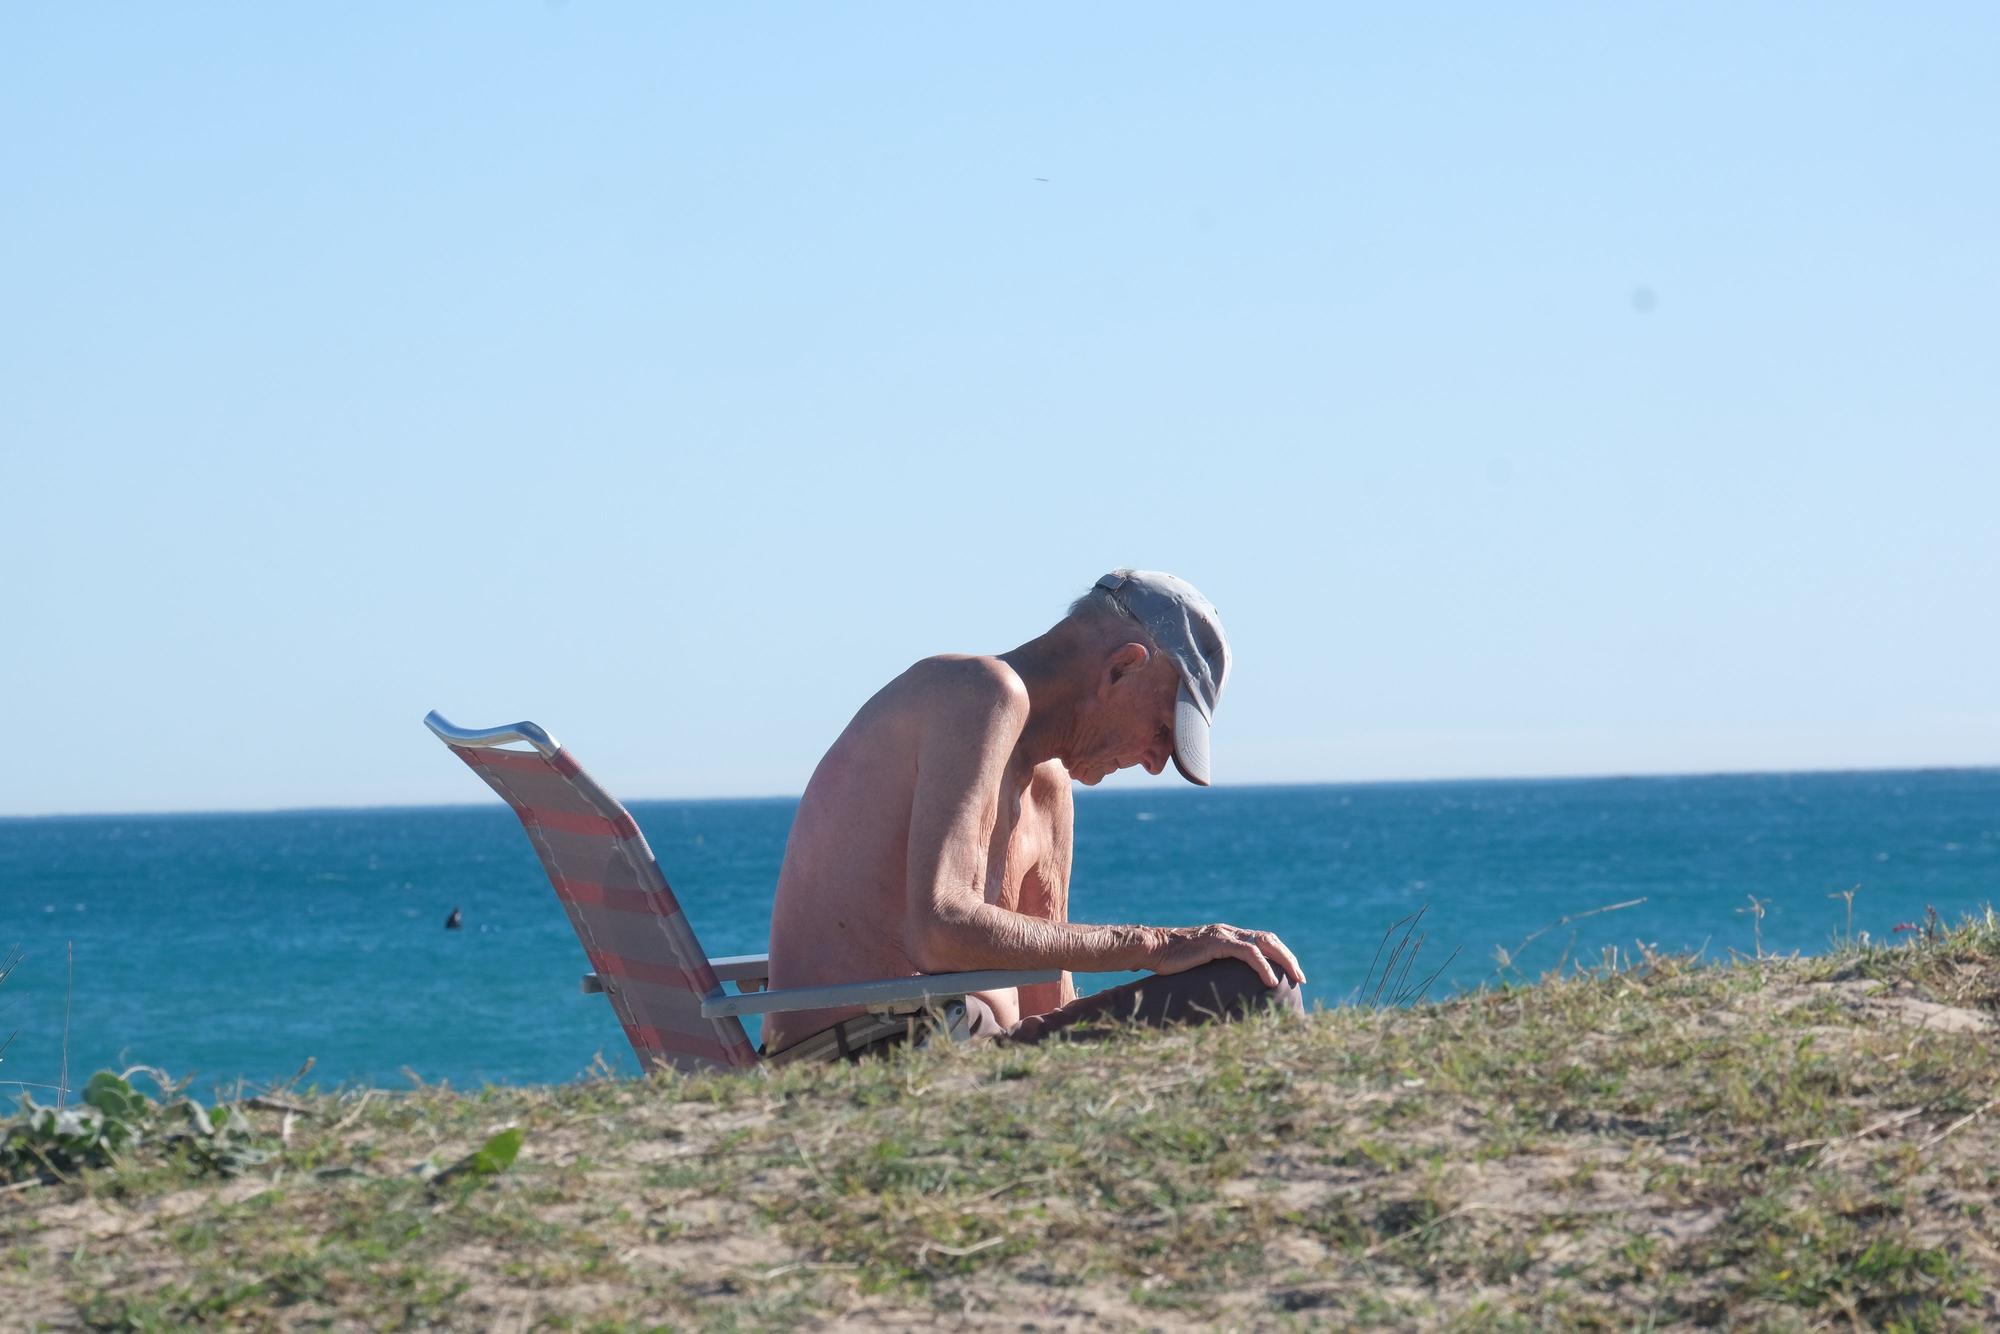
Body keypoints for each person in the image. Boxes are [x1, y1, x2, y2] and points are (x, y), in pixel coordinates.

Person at [762, 569, 1306, 1062]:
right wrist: (1161, 947)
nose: (1156, 763)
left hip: (971, 1051)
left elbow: (1048, 996)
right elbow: (938, 932)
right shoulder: (977, 693)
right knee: (1254, 988)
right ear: (1121, 668)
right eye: (1163, 731)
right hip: (868, 1056)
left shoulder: (1049, 787)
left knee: (1250, 977)